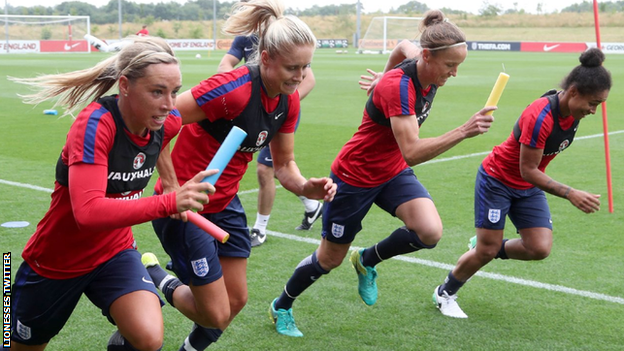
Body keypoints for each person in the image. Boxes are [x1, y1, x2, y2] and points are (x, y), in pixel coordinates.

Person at [268, 9, 496, 337]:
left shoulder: (424, 64)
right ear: (429, 57)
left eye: (458, 65)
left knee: (429, 232)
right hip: (354, 177)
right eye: (450, 66)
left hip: (391, 171)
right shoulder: (400, 88)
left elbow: (403, 46)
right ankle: (282, 305)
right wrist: (464, 130)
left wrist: (381, 78)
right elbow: (413, 152)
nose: (455, 73)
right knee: (329, 259)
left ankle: (367, 260)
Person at [141, 0, 336, 350]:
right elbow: (158, 124)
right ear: (266, 59)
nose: (300, 76)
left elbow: (284, 165)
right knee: (215, 314)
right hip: (187, 209)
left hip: (225, 203)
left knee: (237, 302)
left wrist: (307, 186)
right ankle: (157, 277)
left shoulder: (289, 102)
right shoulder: (231, 90)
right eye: (292, 67)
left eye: (306, 67)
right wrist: (171, 187)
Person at [8, 36, 216, 351]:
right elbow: (89, 212)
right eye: (157, 92)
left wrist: (170, 180)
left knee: (148, 338)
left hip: (114, 253)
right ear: (125, 85)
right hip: (56, 261)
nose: (169, 105)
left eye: (174, 92)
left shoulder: (162, 121)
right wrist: (169, 200)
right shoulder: (94, 125)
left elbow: (165, 135)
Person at [432, 47, 610, 319]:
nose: (594, 111)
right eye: (593, 103)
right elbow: (527, 170)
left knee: (538, 248)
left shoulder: (572, 111)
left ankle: (484, 245)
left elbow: (530, 174)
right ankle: (445, 293)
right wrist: (570, 193)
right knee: (487, 250)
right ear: (573, 92)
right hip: (498, 181)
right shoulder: (540, 117)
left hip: (527, 187)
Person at [218, 32, 323, 248]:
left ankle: (260, 228)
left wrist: (281, 102)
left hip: (276, 112)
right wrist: (234, 87)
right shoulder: (245, 38)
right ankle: (311, 205)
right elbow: (225, 65)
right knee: (275, 167)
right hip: (254, 109)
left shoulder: (285, 36)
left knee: (265, 169)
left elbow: (309, 79)